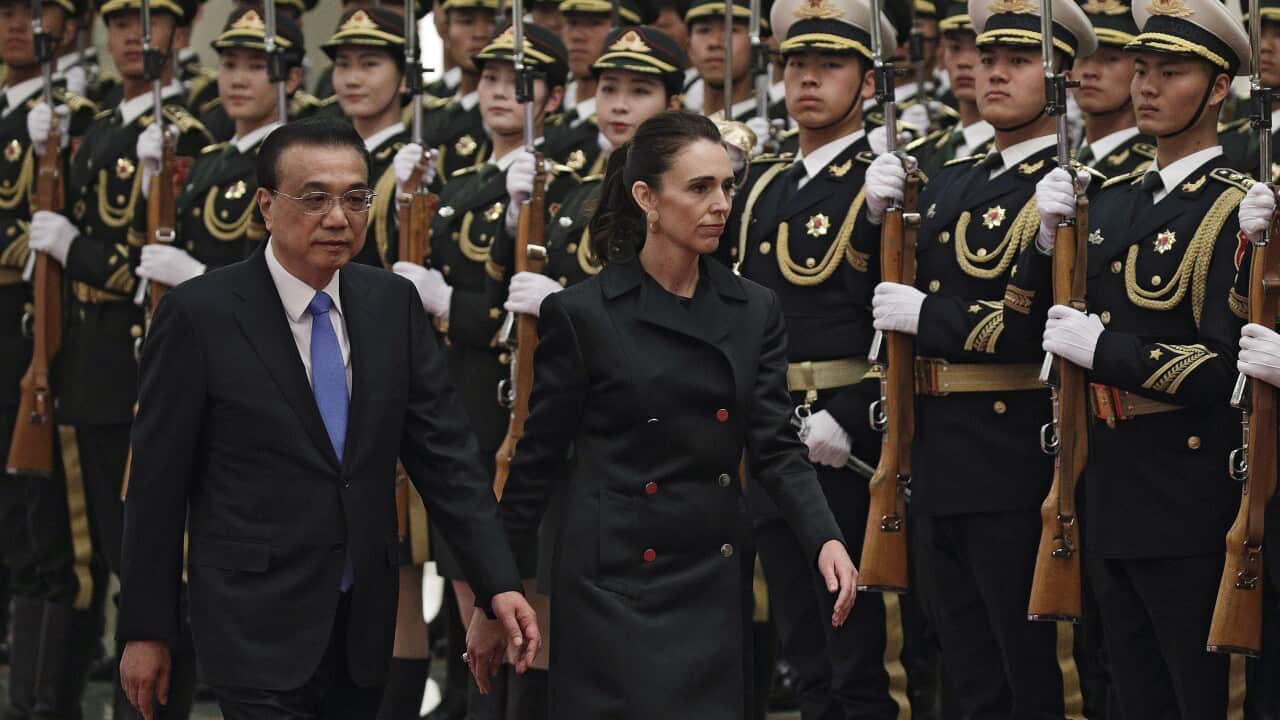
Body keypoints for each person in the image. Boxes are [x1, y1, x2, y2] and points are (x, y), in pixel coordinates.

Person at [115, 117, 540, 720]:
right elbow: (156, 490)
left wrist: (497, 583)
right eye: (314, 198)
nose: (338, 218)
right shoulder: (200, 315)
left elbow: (447, 460)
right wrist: (146, 630)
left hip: (363, 622)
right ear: (266, 204)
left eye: (355, 197)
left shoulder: (390, 305)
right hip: (253, 619)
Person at [465, 109, 856, 719]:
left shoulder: (754, 308)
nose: (720, 203)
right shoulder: (583, 314)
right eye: (699, 188)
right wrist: (494, 596)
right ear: (646, 197)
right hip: (612, 584)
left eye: (727, 186)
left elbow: (776, 445)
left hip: (711, 575)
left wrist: (825, 537)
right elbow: (535, 467)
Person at [864, 0, 1101, 716]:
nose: (994, 73)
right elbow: (868, 303)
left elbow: (1030, 330)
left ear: (1062, 79)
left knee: (1029, 668)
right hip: (935, 449)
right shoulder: (952, 178)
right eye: (988, 58)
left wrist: (934, 312)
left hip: (1012, 452)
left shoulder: (1070, 186)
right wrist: (870, 221)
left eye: (1019, 61)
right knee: (963, 666)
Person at [1017, 0, 1254, 716]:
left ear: (1218, 89)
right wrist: (1040, 240)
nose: (1148, 87)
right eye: (1141, 69)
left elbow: (1225, 367)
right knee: (1119, 686)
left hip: (1183, 485)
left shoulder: (1236, 207)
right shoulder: (1107, 201)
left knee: (1192, 690)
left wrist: (1105, 350)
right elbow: (1027, 323)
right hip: (1101, 478)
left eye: (1172, 72)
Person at [719, 0, 937, 716]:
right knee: (803, 649)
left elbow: (902, 322)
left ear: (870, 83)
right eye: (796, 65)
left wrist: (853, 415)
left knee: (866, 655)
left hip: (854, 447)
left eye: (830, 66)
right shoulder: (761, 184)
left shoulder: (891, 179)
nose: (807, 80)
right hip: (775, 434)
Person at [475, 25, 688, 717]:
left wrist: (564, 308)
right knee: (545, 610)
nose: (619, 104)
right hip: (565, 427)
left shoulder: (678, 199)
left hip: (638, 436)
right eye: (609, 88)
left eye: (639, 90)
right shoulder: (573, 193)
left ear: (673, 101)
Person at [392, 21, 578, 717]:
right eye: (493, 80)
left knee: (525, 591)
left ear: (553, 100)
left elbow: (534, 307)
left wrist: (455, 305)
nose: (501, 94)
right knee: (468, 579)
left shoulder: (565, 189)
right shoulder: (464, 180)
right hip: (460, 396)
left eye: (520, 85)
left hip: (519, 400)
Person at [0, 0, 101, 717]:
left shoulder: (81, 117)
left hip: (38, 337)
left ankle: (45, 702)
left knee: (52, 535)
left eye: (33, 10)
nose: (14, 23)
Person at [543, 0, 657, 176]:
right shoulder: (547, 110)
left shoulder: (622, 129)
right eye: (572, 23)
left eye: (594, 24)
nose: (577, 36)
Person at [909, 0, 993, 178]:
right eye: (954, 48)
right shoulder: (923, 153)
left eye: (980, 50)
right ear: (941, 55)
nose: (963, 62)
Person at [1072, 0, 1153, 178]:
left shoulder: (1151, 168)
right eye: (1083, 57)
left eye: (1110, 59)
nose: (1090, 72)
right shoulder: (1061, 157)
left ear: (1141, 71)